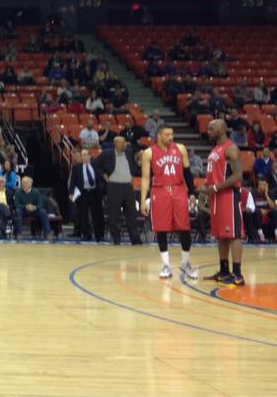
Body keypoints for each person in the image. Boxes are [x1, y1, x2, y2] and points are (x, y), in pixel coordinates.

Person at [140, 125, 197, 280]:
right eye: (167, 134)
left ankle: (185, 263)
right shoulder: (149, 153)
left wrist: (192, 193)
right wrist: (143, 200)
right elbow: (145, 178)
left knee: (184, 227)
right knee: (161, 229)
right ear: (159, 135)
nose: (171, 137)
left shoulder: (180, 148)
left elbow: (187, 173)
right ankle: (166, 265)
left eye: (172, 134)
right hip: (160, 191)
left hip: (179, 190)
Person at [202, 119, 245, 286]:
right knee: (220, 234)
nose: (208, 131)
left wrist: (215, 187)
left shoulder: (231, 148)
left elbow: (238, 175)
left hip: (228, 196)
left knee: (233, 234)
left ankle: (238, 274)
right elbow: (214, 174)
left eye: (211, 128)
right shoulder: (215, 149)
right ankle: (224, 271)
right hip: (216, 196)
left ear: (221, 129)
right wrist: (207, 189)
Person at [97, 136, 143, 245]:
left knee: (132, 214)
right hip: (114, 187)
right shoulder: (107, 153)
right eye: (123, 143)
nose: (125, 144)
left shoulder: (129, 152)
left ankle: (135, 240)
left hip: (128, 187)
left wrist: (132, 175)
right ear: (116, 144)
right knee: (114, 216)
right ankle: (116, 239)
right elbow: (96, 164)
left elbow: (133, 165)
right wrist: (104, 176)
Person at [69, 149, 105, 241]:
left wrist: (101, 189)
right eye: (82, 155)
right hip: (83, 193)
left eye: (85, 155)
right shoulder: (77, 167)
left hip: (94, 192)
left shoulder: (95, 166)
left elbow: (101, 178)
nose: (83, 157)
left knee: (96, 214)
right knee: (83, 214)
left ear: (89, 156)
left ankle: (98, 234)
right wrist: (71, 192)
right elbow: (73, 181)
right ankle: (86, 234)